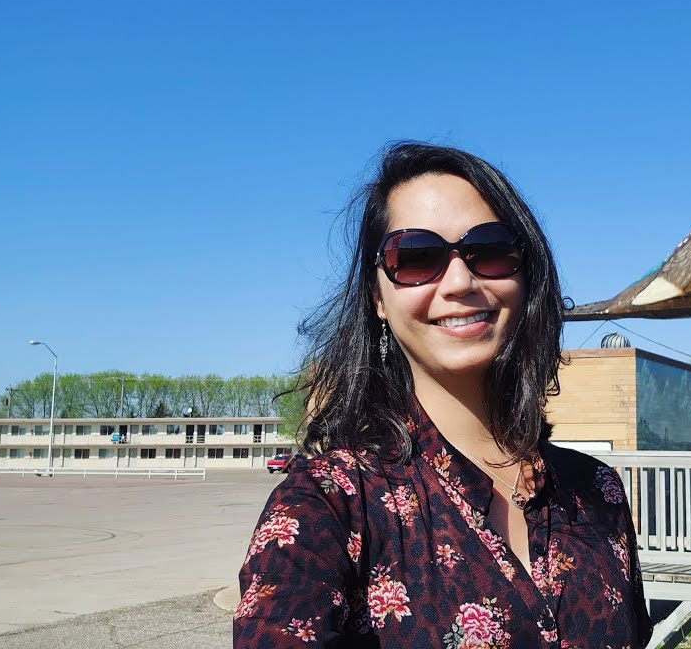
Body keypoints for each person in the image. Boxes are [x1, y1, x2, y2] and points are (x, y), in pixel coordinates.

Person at [234, 142, 652, 648]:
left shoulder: (597, 491)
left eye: (490, 250)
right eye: (415, 257)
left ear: (526, 275)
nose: (459, 281)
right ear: (377, 298)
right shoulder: (325, 506)